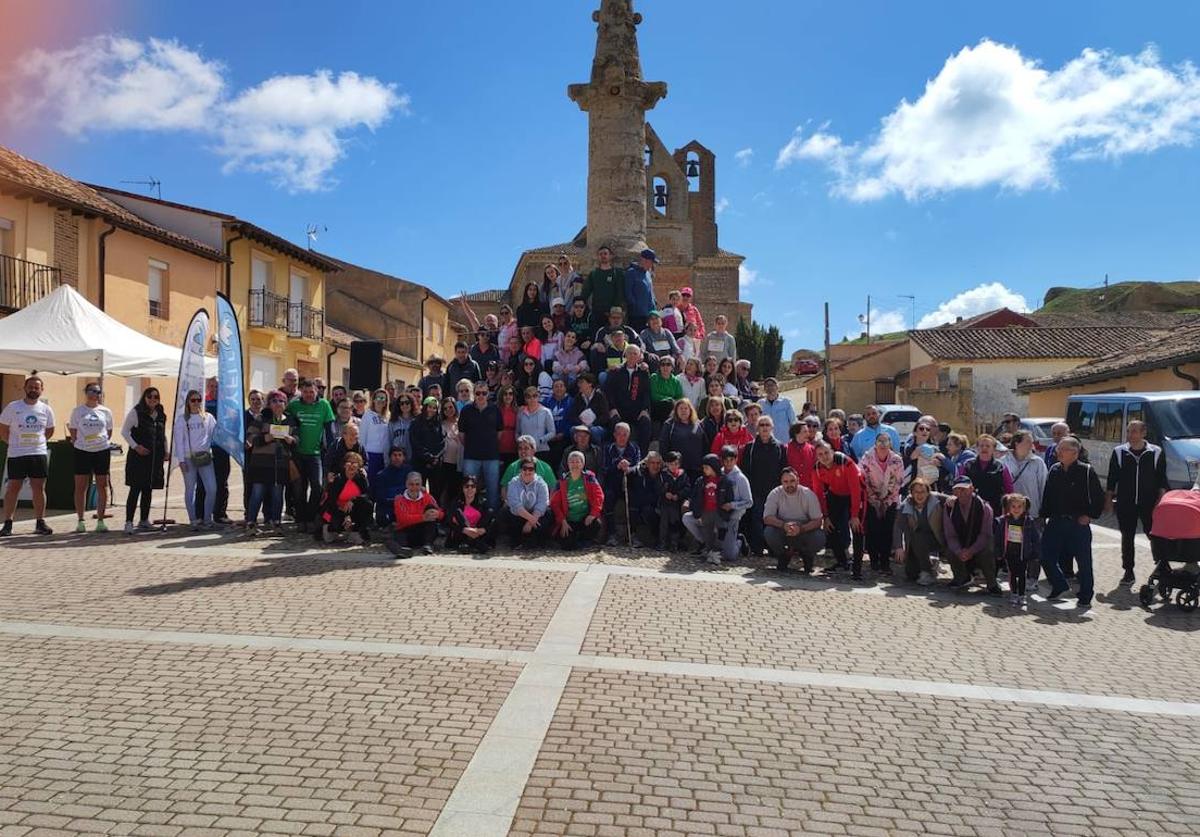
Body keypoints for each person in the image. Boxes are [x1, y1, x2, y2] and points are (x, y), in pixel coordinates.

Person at [1040, 437, 1105, 608]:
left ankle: (1085, 595)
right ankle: (1060, 585)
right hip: (1056, 521)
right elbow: (1047, 495)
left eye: (1063, 449)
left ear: (1074, 453)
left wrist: (1090, 515)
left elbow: (1098, 497)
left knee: (1083, 562)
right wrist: (1043, 515)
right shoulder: (1054, 470)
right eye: (1058, 449)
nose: (1058, 452)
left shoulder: (1086, 471)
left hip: (1078, 523)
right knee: (1045, 555)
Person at [1106, 419, 1168, 586]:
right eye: (1128, 431)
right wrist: (1109, 501)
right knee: (1127, 537)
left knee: (1153, 535)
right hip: (1125, 503)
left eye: (1134, 431)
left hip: (1149, 503)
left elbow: (1162, 480)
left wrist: (1159, 502)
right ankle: (1128, 571)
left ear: (1143, 433)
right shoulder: (1119, 452)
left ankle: (1163, 565)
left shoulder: (1156, 452)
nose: (1130, 435)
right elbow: (1112, 479)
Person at [0, 376, 56, 536]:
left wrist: (37, 443)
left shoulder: (46, 409)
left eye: (37, 387)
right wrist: (13, 443)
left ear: (41, 390)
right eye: (30, 387)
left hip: (38, 453)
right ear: (25, 388)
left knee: (38, 488)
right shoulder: (13, 407)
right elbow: (3, 429)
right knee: (13, 488)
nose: (33, 389)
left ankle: (40, 522)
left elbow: (50, 431)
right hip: (17, 454)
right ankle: (8, 524)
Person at [244, 389, 297, 534]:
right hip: (261, 464)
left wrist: (291, 440)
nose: (278, 404)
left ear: (285, 404)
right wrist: (265, 438)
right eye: (274, 401)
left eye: (281, 401)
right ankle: (251, 523)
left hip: (280, 465)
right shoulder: (262, 418)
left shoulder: (290, 420)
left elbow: (297, 439)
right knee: (257, 494)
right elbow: (250, 438)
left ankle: (276, 523)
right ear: (269, 404)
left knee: (278, 495)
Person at [285, 379, 335, 532]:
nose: (308, 395)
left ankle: (311, 516)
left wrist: (331, 453)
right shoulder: (293, 405)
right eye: (305, 392)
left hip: (315, 455)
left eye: (311, 392)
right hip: (297, 454)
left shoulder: (324, 405)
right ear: (301, 392)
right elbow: (284, 423)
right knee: (299, 488)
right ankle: (301, 519)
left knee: (317, 487)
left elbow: (329, 431)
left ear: (316, 391)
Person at [941, 476, 1002, 594]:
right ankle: (961, 577)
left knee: (987, 550)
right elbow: (950, 534)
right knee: (949, 549)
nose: (961, 492)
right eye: (957, 489)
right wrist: (959, 551)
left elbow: (985, 534)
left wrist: (971, 551)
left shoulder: (985, 507)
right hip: (961, 542)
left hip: (979, 543)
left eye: (964, 489)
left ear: (972, 489)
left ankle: (992, 583)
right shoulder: (949, 508)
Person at [67, 383, 114, 533]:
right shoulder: (78, 411)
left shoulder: (106, 411)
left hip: (101, 451)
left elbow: (109, 431)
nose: (94, 394)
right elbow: (73, 430)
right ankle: (80, 520)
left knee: (102, 485)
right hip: (82, 451)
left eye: (98, 391)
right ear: (86, 392)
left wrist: (99, 442)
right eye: (91, 391)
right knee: (81, 486)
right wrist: (79, 442)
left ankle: (100, 520)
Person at [119, 387, 167, 534]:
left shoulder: (160, 414)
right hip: (138, 458)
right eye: (150, 396)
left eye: (156, 397)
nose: (153, 399)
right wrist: (136, 446)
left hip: (154, 458)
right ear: (144, 397)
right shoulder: (136, 412)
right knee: (135, 489)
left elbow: (162, 434)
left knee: (148, 489)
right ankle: (128, 522)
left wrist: (165, 450)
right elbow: (125, 431)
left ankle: (144, 520)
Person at [763, 467, 826, 573]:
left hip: (804, 530)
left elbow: (818, 521)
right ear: (781, 482)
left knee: (819, 537)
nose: (789, 484)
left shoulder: (808, 494)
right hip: (783, 528)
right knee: (769, 532)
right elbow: (767, 518)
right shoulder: (775, 493)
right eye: (786, 482)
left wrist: (801, 529)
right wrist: (784, 525)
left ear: (798, 480)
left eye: (792, 481)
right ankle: (783, 556)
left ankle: (807, 556)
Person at [741, 415, 788, 556]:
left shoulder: (780, 447)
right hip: (756, 489)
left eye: (767, 425)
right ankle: (758, 547)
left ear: (772, 427)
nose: (765, 428)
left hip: (774, 491)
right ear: (757, 428)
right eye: (762, 425)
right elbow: (745, 469)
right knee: (757, 518)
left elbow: (784, 469)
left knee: (774, 520)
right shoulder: (750, 447)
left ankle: (773, 547)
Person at [860, 433, 904, 579]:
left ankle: (885, 562)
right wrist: (875, 499)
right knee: (873, 530)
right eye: (880, 441)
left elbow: (898, 482)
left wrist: (885, 500)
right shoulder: (867, 458)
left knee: (887, 531)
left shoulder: (897, 460)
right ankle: (874, 561)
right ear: (875, 443)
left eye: (886, 441)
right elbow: (863, 479)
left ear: (890, 443)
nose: (883, 444)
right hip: (871, 499)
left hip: (890, 500)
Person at [173, 389, 218, 531]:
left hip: (205, 457)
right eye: (193, 400)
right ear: (188, 402)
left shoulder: (208, 417)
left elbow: (215, 434)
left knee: (212, 488)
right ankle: (193, 519)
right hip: (188, 458)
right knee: (190, 489)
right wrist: (181, 460)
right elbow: (178, 442)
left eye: (199, 400)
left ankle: (207, 518)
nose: (196, 403)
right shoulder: (182, 419)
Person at [891, 477, 946, 585]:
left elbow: (955, 498)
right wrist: (898, 547)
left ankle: (928, 571)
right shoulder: (905, 505)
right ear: (911, 493)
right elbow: (898, 526)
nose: (919, 495)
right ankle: (930, 564)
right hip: (917, 543)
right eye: (916, 492)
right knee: (911, 574)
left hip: (939, 538)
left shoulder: (938, 499)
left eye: (923, 492)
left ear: (928, 492)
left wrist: (951, 500)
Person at [458, 383, 503, 512]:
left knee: (492, 490)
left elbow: (499, 433)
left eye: (484, 393)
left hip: (491, 457)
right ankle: (470, 517)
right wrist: (473, 445)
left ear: (488, 394)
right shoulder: (466, 410)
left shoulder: (495, 410)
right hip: (471, 457)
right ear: (474, 394)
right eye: (478, 393)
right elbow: (461, 435)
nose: (481, 396)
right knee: (469, 489)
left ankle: (491, 521)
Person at [707, 446, 754, 564]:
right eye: (725, 460)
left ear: (736, 460)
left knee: (730, 555)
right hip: (717, 512)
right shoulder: (717, 473)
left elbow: (749, 502)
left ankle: (739, 541)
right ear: (722, 460)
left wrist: (732, 505)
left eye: (731, 460)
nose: (728, 463)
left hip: (733, 515)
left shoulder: (741, 478)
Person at [605, 345, 653, 454]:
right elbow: (609, 392)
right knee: (613, 422)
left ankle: (642, 455)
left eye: (635, 353)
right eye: (629, 353)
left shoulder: (643, 372)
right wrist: (612, 408)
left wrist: (645, 409)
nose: (632, 356)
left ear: (639, 356)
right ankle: (614, 454)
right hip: (619, 409)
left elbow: (646, 392)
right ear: (625, 355)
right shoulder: (616, 371)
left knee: (646, 422)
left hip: (636, 409)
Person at [551, 450, 604, 550]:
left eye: (577, 462)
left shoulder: (589, 478)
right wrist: (562, 520)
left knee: (596, 523)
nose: (574, 464)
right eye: (572, 462)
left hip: (585, 517)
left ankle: (585, 540)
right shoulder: (562, 481)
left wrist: (593, 514)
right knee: (567, 546)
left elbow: (599, 496)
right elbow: (554, 503)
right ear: (568, 464)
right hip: (569, 519)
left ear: (582, 464)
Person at [995, 493, 1041, 607]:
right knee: (1012, 573)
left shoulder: (1028, 521)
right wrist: (998, 551)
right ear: (1009, 507)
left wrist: (1035, 552)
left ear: (1024, 508)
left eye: (1019, 506)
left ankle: (1022, 595)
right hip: (1010, 551)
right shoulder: (1004, 520)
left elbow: (1036, 538)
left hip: (1023, 552)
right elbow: (998, 537)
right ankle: (1014, 593)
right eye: (1013, 506)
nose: (1016, 509)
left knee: (1022, 574)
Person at [386, 470, 443, 557]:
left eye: (417, 484)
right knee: (398, 536)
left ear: (421, 485)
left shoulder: (428, 497)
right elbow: (403, 519)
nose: (414, 487)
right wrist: (423, 517)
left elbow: (441, 514)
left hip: (423, 531)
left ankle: (427, 545)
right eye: (411, 484)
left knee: (431, 512)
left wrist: (436, 514)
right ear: (406, 484)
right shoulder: (399, 499)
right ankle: (403, 550)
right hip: (406, 530)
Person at [320, 452, 373, 545]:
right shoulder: (337, 479)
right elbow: (331, 501)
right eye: (349, 462)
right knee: (333, 523)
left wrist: (353, 500)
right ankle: (329, 528)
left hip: (353, 509)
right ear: (344, 465)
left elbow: (368, 495)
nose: (351, 465)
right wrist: (345, 515)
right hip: (335, 510)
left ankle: (355, 532)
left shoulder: (362, 479)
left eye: (355, 463)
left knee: (367, 504)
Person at [602, 422, 641, 545]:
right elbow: (604, 468)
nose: (622, 437)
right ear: (614, 435)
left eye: (625, 434)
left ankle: (633, 534)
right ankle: (612, 534)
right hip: (613, 483)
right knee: (608, 498)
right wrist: (617, 466)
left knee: (635, 499)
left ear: (629, 435)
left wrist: (628, 468)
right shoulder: (608, 448)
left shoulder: (634, 448)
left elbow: (639, 466)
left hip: (629, 483)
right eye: (619, 434)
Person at [503, 457, 553, 549]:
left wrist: (530, 522)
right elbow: (515, 504)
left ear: (535, 471)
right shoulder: (513, 482)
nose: (527, 472)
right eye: (525, 468)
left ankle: (538, 541)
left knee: (548, 512)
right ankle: (516, 540)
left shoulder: (541, 484)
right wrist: (531, 519)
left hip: (535, 516)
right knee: (505, 511)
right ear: (520, 470)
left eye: (531, 469)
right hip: (520, 515)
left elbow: (542, 504)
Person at [959, 434, 1013, 516]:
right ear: (977, 448)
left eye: (988, 446)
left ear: (994, 449)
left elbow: (1009, 490)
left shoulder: (1001, 467)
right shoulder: (967, 465)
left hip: (995, 510)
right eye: (981, 446)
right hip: (971, 509)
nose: (984, 448)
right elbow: (959, 486)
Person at [446, 476, 496, 554]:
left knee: (490, 512)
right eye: (467, 486)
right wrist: (464, 529)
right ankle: (474, 543)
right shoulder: (456, 502)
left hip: (478, 532)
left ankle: (470, 542)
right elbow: (449, 521)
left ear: (476, 488)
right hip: (461, 532)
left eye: (473, 486)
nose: (470, 489)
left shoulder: (483, 502)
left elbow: (492, 520)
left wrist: (484, 529)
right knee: (458, 512)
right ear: (462, 488)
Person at [659, 399, 706, 479]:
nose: (683, 411)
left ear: (690, 410)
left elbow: (705, 443)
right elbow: (663, 445)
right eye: (681, 408)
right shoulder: (669, 425)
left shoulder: (698, 424)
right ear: (676, 410)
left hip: (696, 468)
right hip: (677, 469)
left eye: (686, 408)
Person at [582, 245, 625, 330]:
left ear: (610, 256)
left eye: (605, 253)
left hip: (612, 313)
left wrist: (617, 308)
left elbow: (620, 292)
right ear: (598, 257)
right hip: (597, 311)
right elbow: (585, 292)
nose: (603, 256)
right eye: (600, 254)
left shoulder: (617, 273)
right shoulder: (593, 274)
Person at [656, 451, 691, 550]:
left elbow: (687, 488)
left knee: (675, 523)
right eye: (671, 464)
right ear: (666, 464)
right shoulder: (662, 475)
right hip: (664, 504)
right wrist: (665, 493)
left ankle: (674, 543)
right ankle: (662, 542)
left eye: (676, 464)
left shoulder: (683, 475)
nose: (673, 466)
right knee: (664, 524)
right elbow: (658, 487)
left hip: (676, 504)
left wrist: (678, 495)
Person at [567, 373, 610, 446]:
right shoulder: (578, 398)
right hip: (582, 425)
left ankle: (597, 452)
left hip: (597, 426)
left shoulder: (600, 396)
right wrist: (581, 424)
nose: (579, 385)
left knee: (594, 431)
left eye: (581, 382)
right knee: (573, 430)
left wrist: (592, 424)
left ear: (590, 384)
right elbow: (573, 415)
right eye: (578, 382)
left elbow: (605, 416)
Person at [361, 389, 391, 485]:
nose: (380, 400)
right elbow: (362, 437)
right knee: (371, 483)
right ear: (373, 400)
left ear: (386, 401)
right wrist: (363, 456)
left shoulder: (388, 416)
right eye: (378, 397)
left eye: (383, 398)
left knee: (382, 483)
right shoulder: (367, 415)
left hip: (384, 456)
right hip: (370, 455)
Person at [516, 386, 556, 461]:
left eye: (535, 396)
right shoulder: (521, 413)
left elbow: (552, 432)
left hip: (542, 450)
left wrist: (540, 440)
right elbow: (517, 432)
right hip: (525, 452)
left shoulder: (546, 412)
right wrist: (521, 444)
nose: (532, 399)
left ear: (538, 397)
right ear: (525, 399)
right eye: (529, 396)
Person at [624, 248, 659, 332]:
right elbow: (628, 292)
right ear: (644, 260)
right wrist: (635, 306)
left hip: (650, 314)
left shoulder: (648, 274)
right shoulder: (631, 272)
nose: (652, 265)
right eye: (651, 262)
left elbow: (651, 292)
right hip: (637, 315)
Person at [649, 356, 684, 425]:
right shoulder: (654, 377)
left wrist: (673, 402)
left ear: (672, 367)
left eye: (668, 364)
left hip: (672, 408)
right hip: (656, 406)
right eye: (663, 364)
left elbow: (679, 397)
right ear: (659, 367)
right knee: (668, 404)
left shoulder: (676, 381)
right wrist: (670, 399)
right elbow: (654, 395)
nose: (665, 367)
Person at [387, 392, 417, 462]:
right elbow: (389, 442)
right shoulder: (393, 422)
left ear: (411, 403)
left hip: (412, 460)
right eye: (401, 403)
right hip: (396, 460)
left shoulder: (416, 421)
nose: (404, 405)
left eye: (407, 402)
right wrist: (388, 461)